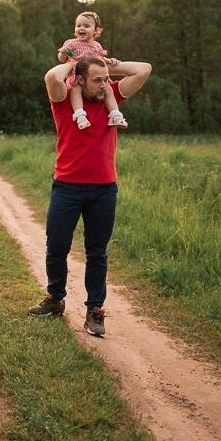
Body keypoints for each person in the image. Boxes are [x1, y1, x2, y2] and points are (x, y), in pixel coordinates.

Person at [29, 55, 152, 337]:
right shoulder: (64, 101)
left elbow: (144, 68)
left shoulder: (112, 98)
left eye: (106, 79)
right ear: (80, 80)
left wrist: (105, 65)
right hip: (67, 186)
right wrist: (76, 63)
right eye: (97, 80)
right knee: (57, 245)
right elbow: (51, 77)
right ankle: (55, 299)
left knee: (97, 253)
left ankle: (95, 311)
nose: (104, 85)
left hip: (104, 188)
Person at [58, 11, 128, 130]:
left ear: (96, 31)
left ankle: (115, 114)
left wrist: (110, 60)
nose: (81, 28)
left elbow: (99, 58)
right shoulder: (71, 43)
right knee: (75, 90)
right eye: (78, 25)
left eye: (86, 26)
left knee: (108, 89)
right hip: (76, 74)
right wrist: (63, 53)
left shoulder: (96, 45)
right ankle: (80, 115)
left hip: (93, 75)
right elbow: (62, 59)